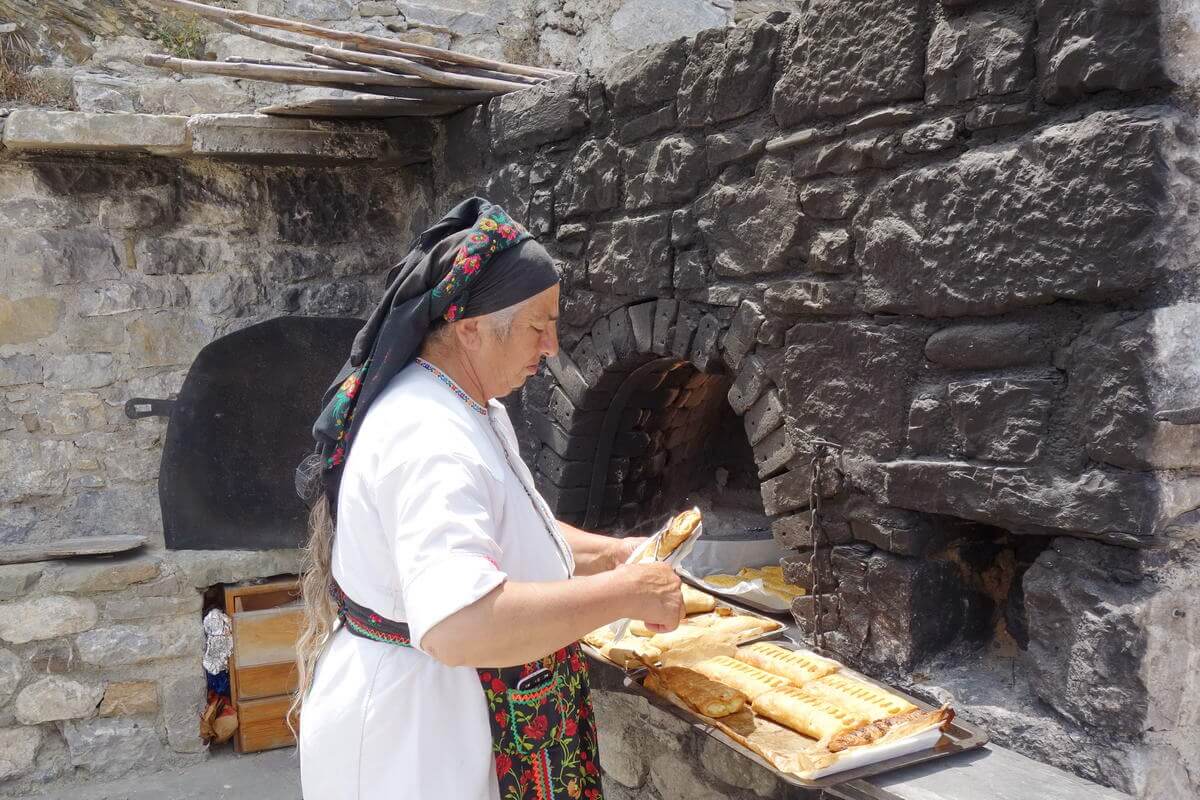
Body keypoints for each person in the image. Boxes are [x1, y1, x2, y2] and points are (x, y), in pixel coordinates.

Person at [293, 198, 685, 800]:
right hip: (418, 745)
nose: (551, 346)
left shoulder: (468, 404)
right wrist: (624, 594)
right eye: (538, 325)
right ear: (471, 327)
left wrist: (610, 555)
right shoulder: (430, 436)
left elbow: (508, 520)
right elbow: (459, 623)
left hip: (454, 717)